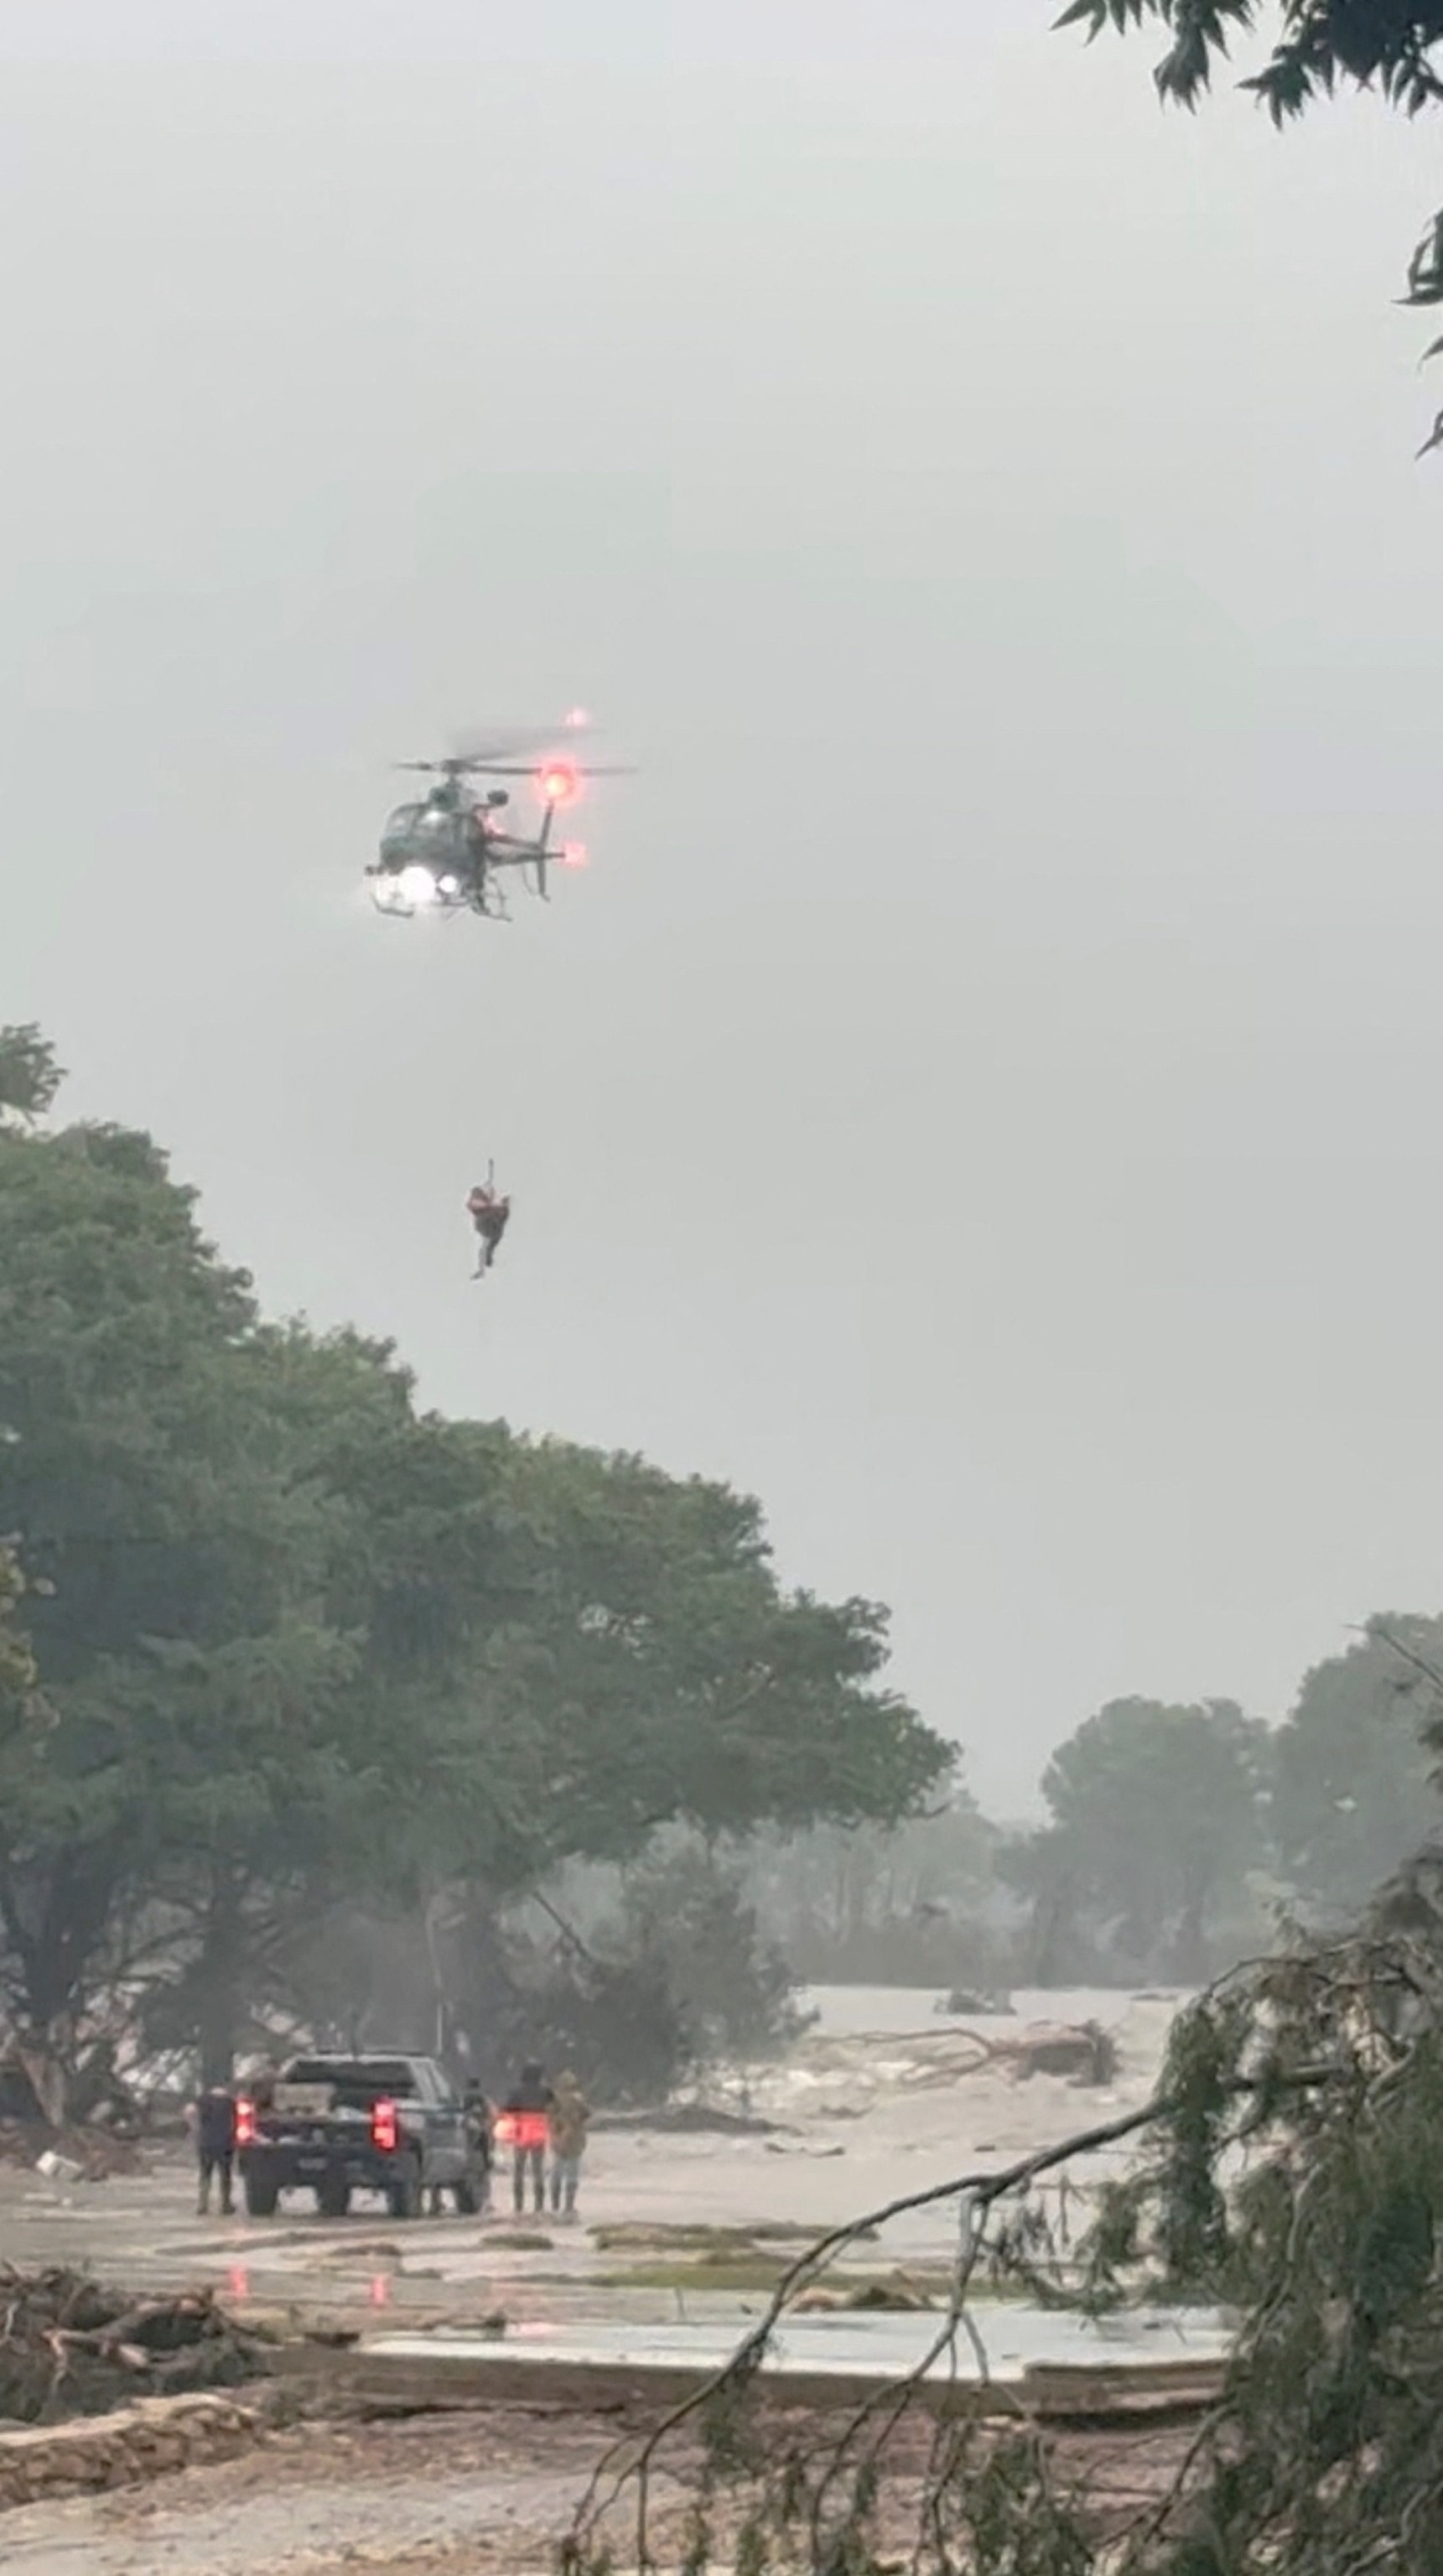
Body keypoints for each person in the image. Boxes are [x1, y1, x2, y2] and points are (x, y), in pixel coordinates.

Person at [501, 2061, 553, 2215]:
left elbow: (507, 2110)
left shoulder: (516, 2092)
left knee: (519, 2170)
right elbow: (555, 2108)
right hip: (539, 2132)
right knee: (538, 2170)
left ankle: (518, 2206)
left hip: (521, 2132)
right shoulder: (546, 2092)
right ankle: (539, 2206)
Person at [548, 2070, 591, 2221]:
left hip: (558, 2141)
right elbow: (586, 2115)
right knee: (571, 2176)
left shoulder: (554, 2100)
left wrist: (555, 2136)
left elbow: (549, 2119)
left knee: (556, 2174)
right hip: (574, 2143)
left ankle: (554, 2208)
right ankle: (568, 2207)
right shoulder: (578, 2100)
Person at [190, 2082, 237, 2218]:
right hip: (225, 2142)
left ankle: (203, 2204)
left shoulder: (203, 2099)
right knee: (225, 2174)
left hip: (206, 2142)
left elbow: (190, 2111)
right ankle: (225, 2204)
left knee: (205, 2173)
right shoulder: (230, 2101)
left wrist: (196, 2129)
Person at [466, 1183, 511, 1279]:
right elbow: (478, 1207)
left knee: (487, 1244)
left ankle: (485, 1262)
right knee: (487, 1244)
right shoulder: (481, 1202)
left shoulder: (495, 1207)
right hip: (486, 1225)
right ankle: (485, 1263)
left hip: (490, 1227)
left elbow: (500, 1215)